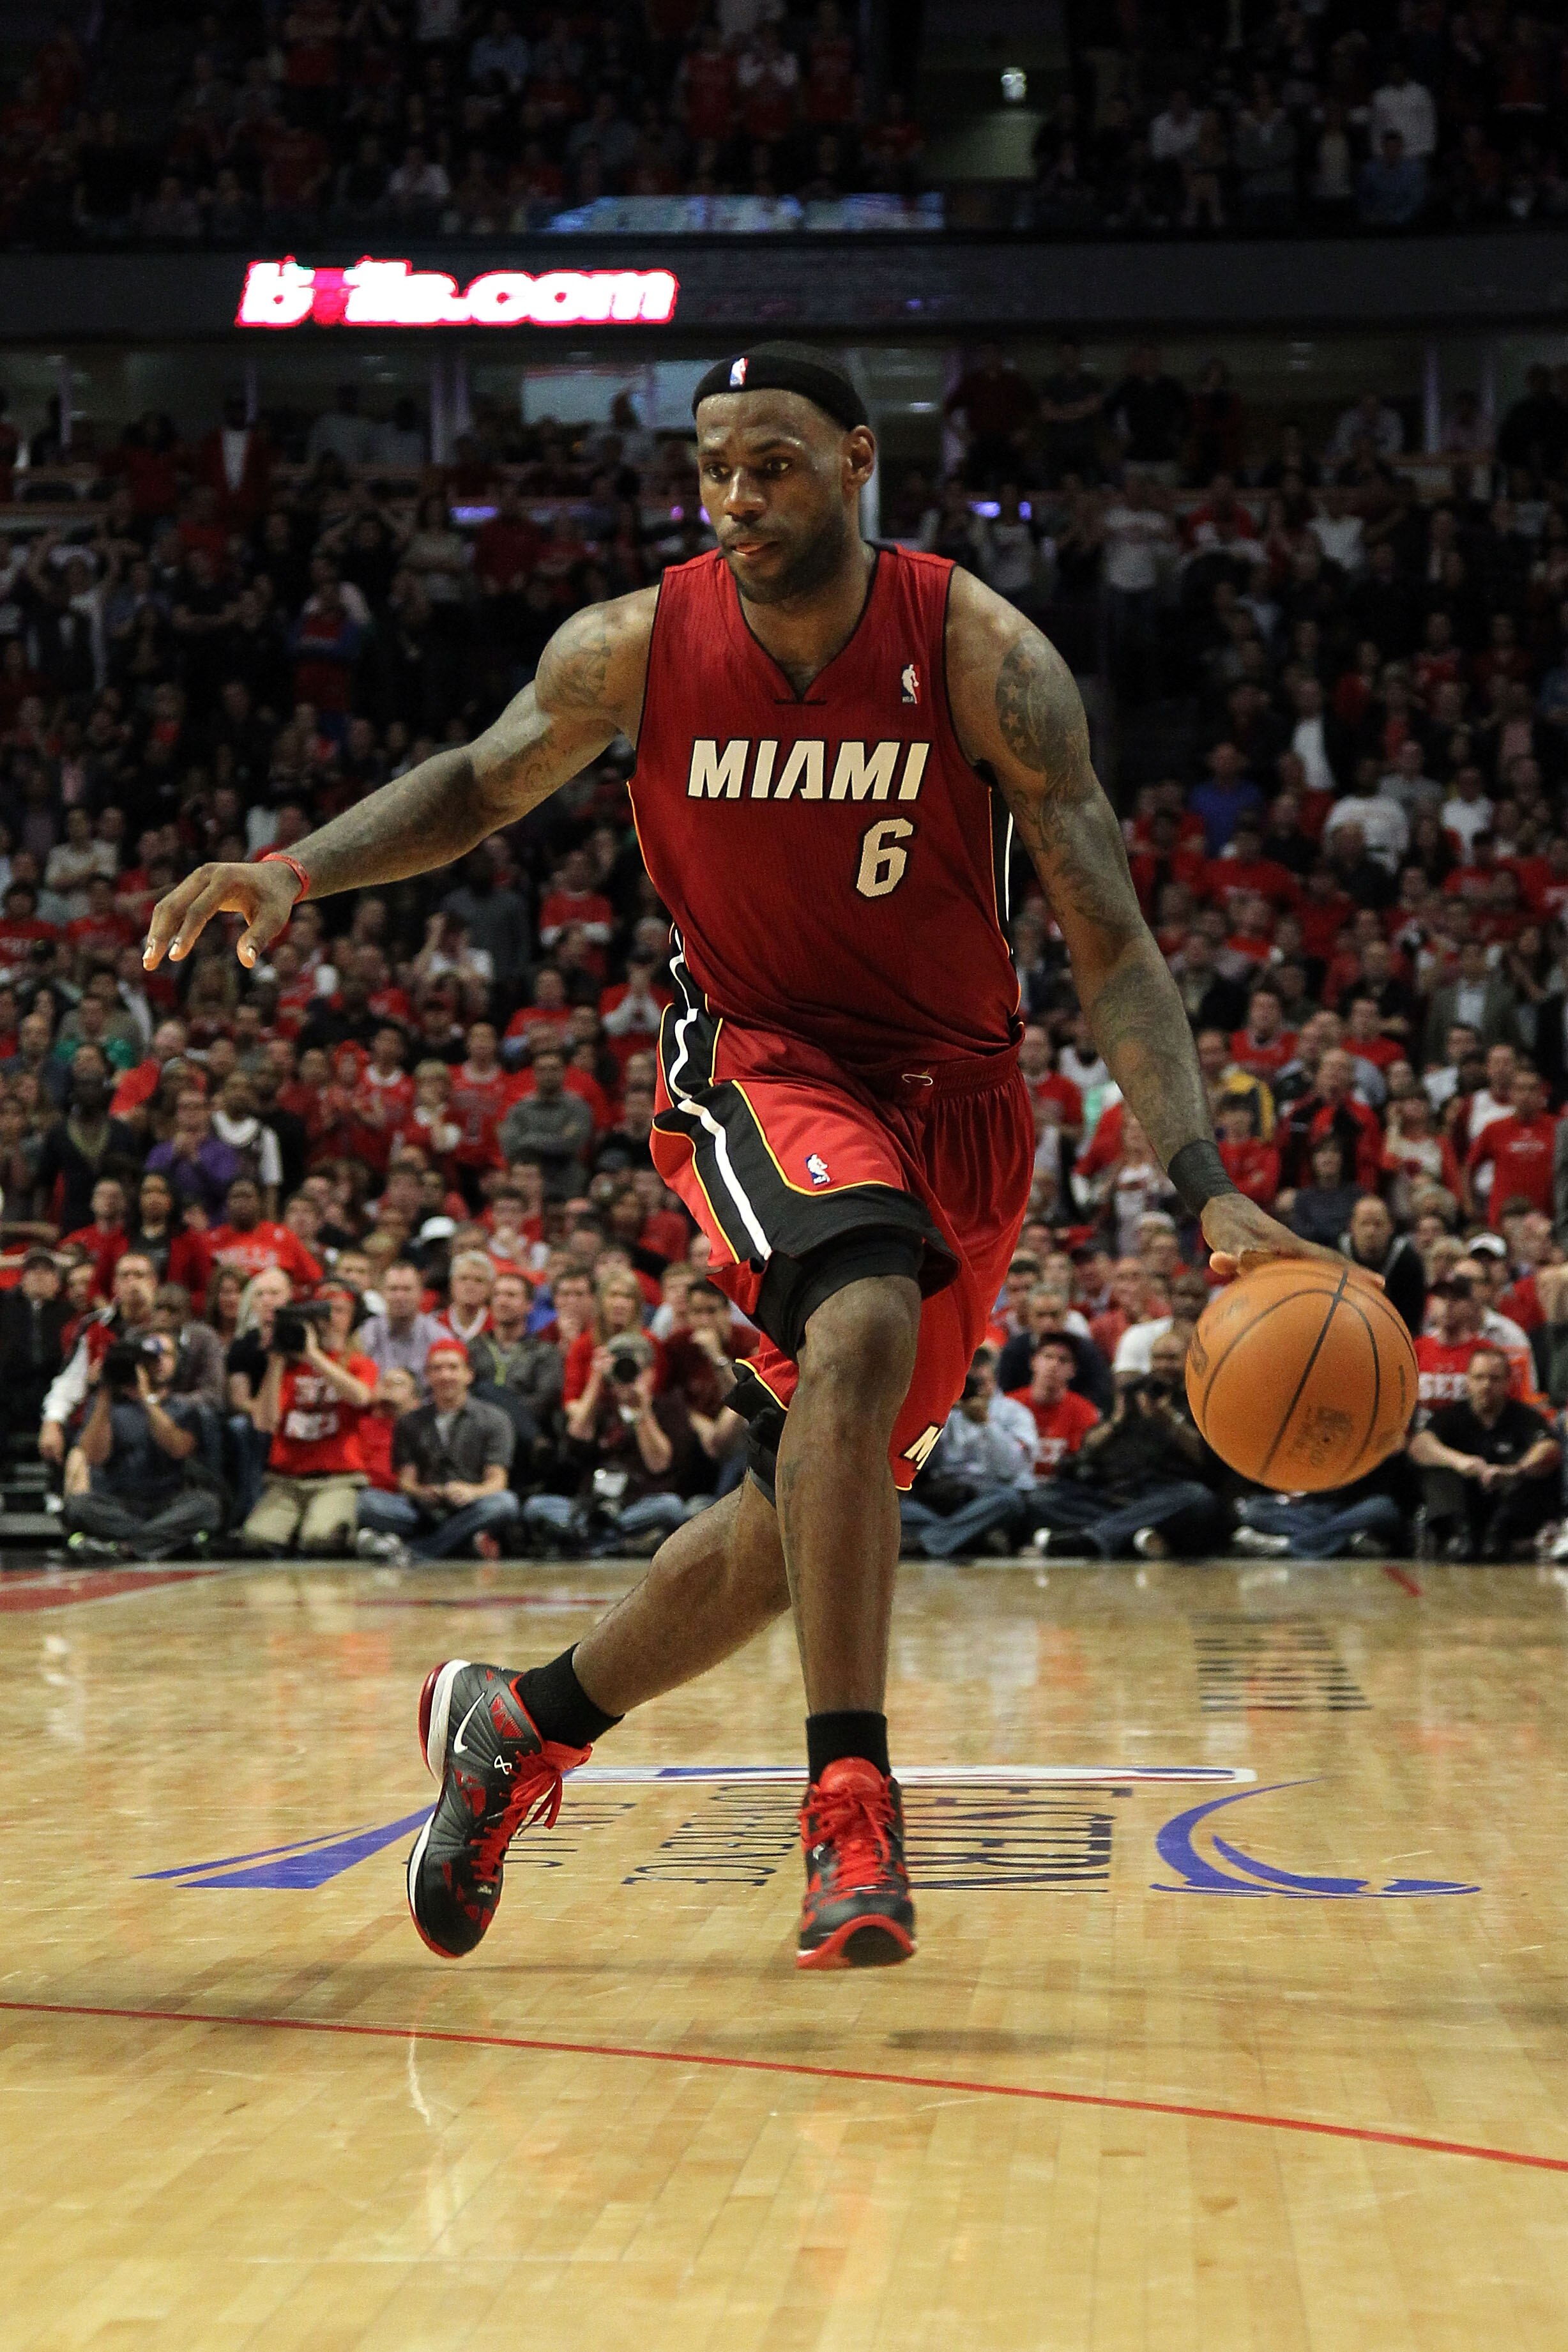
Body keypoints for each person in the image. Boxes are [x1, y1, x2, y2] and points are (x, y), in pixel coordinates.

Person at [147, 338, 1316, 1974]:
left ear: (854, 459)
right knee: (857, 1319)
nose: (735, 498)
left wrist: (1197, 1181)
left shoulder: (980, 653)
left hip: (963, 1107)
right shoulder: (632, 650)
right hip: (764, 1062)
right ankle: (849, 1802)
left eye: (769, 463)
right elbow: (478, 787)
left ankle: (518, 1725)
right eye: (711, 469)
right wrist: (292, 871)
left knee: (788, 1531)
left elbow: (1109, 944)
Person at [1028, 1329, 1229, 1559]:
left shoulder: (1202, 1398)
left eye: (1172, 1358)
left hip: (1168, 1493)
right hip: (1117, 1493)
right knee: (1041, 1499)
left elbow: (1207, 1459)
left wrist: (1168, 1419)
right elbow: (1089, 1448)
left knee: (1198, 1498)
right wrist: (1116, 1422)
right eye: (1158, 1358)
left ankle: (1094, 1538)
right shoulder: (1133, 1392)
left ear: (1189, 1360)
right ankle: (1138, 1536)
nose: (1163, 1365)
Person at [356, 1336, 522, 1563]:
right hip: (424, 1509)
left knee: (505, 1504)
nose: (445, 1375)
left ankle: (417, 1551)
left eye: (453, 1368)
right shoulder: (410, 1422)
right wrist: (422, 1492)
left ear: (468, 1374)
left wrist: (471, 1492)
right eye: (437, 1369)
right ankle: (462, 1542)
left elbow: (497, 1481)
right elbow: (405, 1481)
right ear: (428, 1376)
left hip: (471, 1505)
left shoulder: (495, 1419)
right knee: (366, 1503)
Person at [63, 1327, 222, 1562]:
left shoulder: (184, 1408)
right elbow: (95, 1456)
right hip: (120, 1503)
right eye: (150, 1357)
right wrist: (105, 1392)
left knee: (207, 1506)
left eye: (166, 1355)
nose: (158, 1362)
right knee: (77, 1506)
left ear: (179, 1361)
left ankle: (124, 1547)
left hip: (169, 1502)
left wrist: (148, 1398)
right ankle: (161, 1543)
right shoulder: (108, 1407)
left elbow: (178, 1449)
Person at [241, 1282, 375, 1555]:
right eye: (324, 1312)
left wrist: (313, 1356)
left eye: (339, 1311)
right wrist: (277, 1359)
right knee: (257, 1538)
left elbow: (360, 1397)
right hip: (287, 1480)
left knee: (320, 1539)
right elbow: (265, 1422)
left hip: (338, 1477)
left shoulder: (358, 1363)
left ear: (352, 1319)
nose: (330, 1320)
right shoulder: (288, 1368)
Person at [1408, 1346, 1558, 1560]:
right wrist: (1459, 1462)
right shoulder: (1451, 1416)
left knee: (1531, 1471)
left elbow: (1549, 1448)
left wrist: (1514, 1470)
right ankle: (1457, 1536)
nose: (1486, 1385)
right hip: (1463, 1501)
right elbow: (1420, 1445)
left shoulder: (1525, 1417)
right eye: (1479, 1378)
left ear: (1508, 1382)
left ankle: (1500, 1536)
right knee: (1438, 1471)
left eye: (1494, 1379)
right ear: (1468, 1381)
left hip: (1506, 1505)